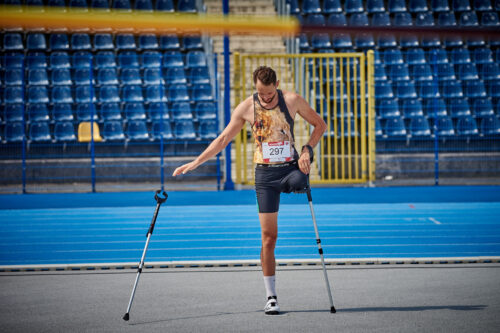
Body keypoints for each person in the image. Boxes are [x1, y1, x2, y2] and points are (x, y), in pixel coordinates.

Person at [173, 66, 326, 315]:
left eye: (268, 93)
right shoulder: (246, 108)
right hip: (265, 175)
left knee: (301, 181)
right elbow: (223, 139)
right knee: (269, 237)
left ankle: (299, 177)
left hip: (289, 168)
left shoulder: (292, 100)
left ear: (277, 84)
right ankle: (271, 296)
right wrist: (195, 162)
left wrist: (308, 149)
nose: (265, 98)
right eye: (260, 93)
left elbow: (320, 125)